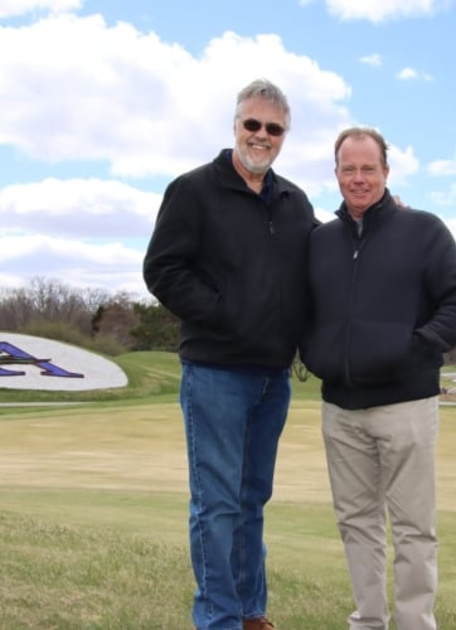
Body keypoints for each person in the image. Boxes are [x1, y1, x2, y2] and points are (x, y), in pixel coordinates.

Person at [142, 79, 317, 630]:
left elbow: (322, 262)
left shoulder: (294, 202)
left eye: (273, 129)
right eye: (252, 124)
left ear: (284, 136)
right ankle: (218, 618)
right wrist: (223, 312)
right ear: (235, 125)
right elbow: (162, 269)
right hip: (216, 372)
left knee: (251, 501)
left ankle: (249, 611)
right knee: (216, 505)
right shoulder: (193, 190)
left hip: (272, 377)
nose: (261, 136)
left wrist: (382, 217)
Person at [301, 127, 456, 630]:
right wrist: (315, 355)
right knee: (356, 524)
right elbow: (304, 311)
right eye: (349, 169)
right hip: (340, 408)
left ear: (386, 171)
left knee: (413, 529)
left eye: (368, 168)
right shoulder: (320, 241)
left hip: (406, 405)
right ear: (336, 173)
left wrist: (415, 348)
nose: (359, 179)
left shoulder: (422, 230)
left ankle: (415, 623)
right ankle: (369, 621)